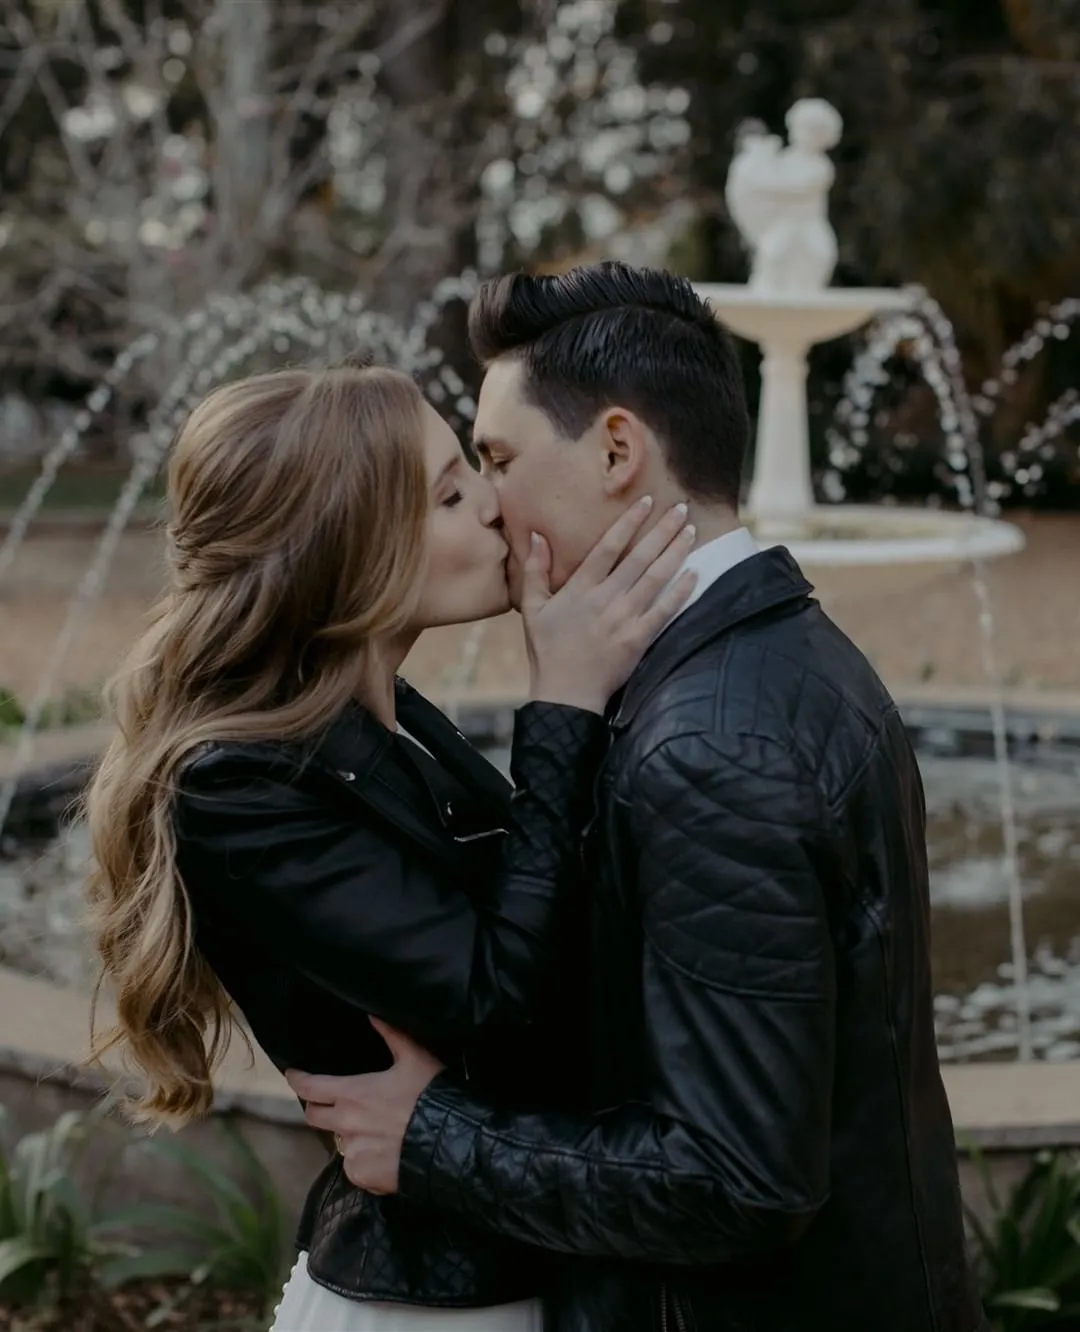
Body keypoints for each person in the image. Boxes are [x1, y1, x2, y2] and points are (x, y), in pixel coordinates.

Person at [287, 263, 987, 1332]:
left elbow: (737, 1180)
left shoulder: (708, 745)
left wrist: (430, 1140)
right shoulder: (777, 652)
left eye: (499, 459)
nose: (487, 501)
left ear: (617, 450)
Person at [82, 354, 698, 1332]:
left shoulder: (390, 724)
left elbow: (560, 942)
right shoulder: (240, 785)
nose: (495, 507)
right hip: (435, 1304)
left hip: (521, 1271)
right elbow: (498, 997)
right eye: (452, 493)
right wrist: (563, 703)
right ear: (352, 549)